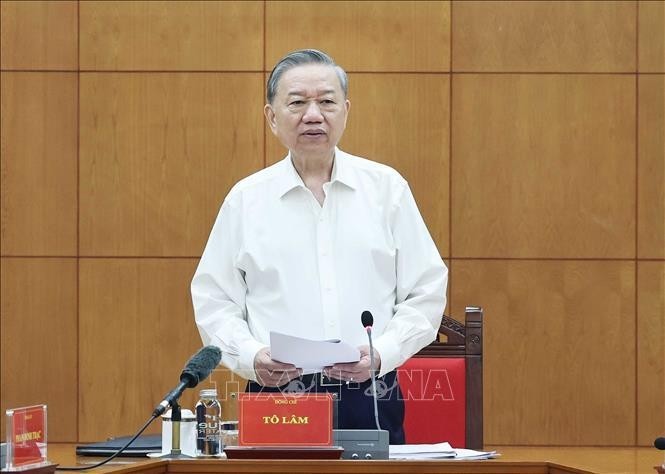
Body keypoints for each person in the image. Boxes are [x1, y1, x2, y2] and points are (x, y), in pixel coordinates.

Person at [191, 49, 447, 444]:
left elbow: (426, 291)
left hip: (370, 390)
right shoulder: (246, 200)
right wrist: (250, 356)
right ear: (272, 117)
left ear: (345, 111)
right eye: (297, 103)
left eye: (326, 102)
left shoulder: (386, 190)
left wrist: (384, 352)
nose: (313, 114)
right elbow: (214, 299)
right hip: (276, 392)